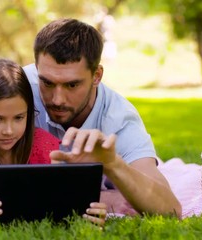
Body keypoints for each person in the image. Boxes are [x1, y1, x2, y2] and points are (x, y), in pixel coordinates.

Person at [23, 18, 182, 217]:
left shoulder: (120, 120)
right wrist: (102, 197)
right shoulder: (19, 89)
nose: (57, 99)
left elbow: (172, 210)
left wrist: (113, 163)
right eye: (47, 83)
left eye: (72, 85)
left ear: (97, 75)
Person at [0, 58, 107, 228]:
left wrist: (86, 213)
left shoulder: (44, 144)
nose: (9, 130)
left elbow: (56, 200)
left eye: (19, 118)